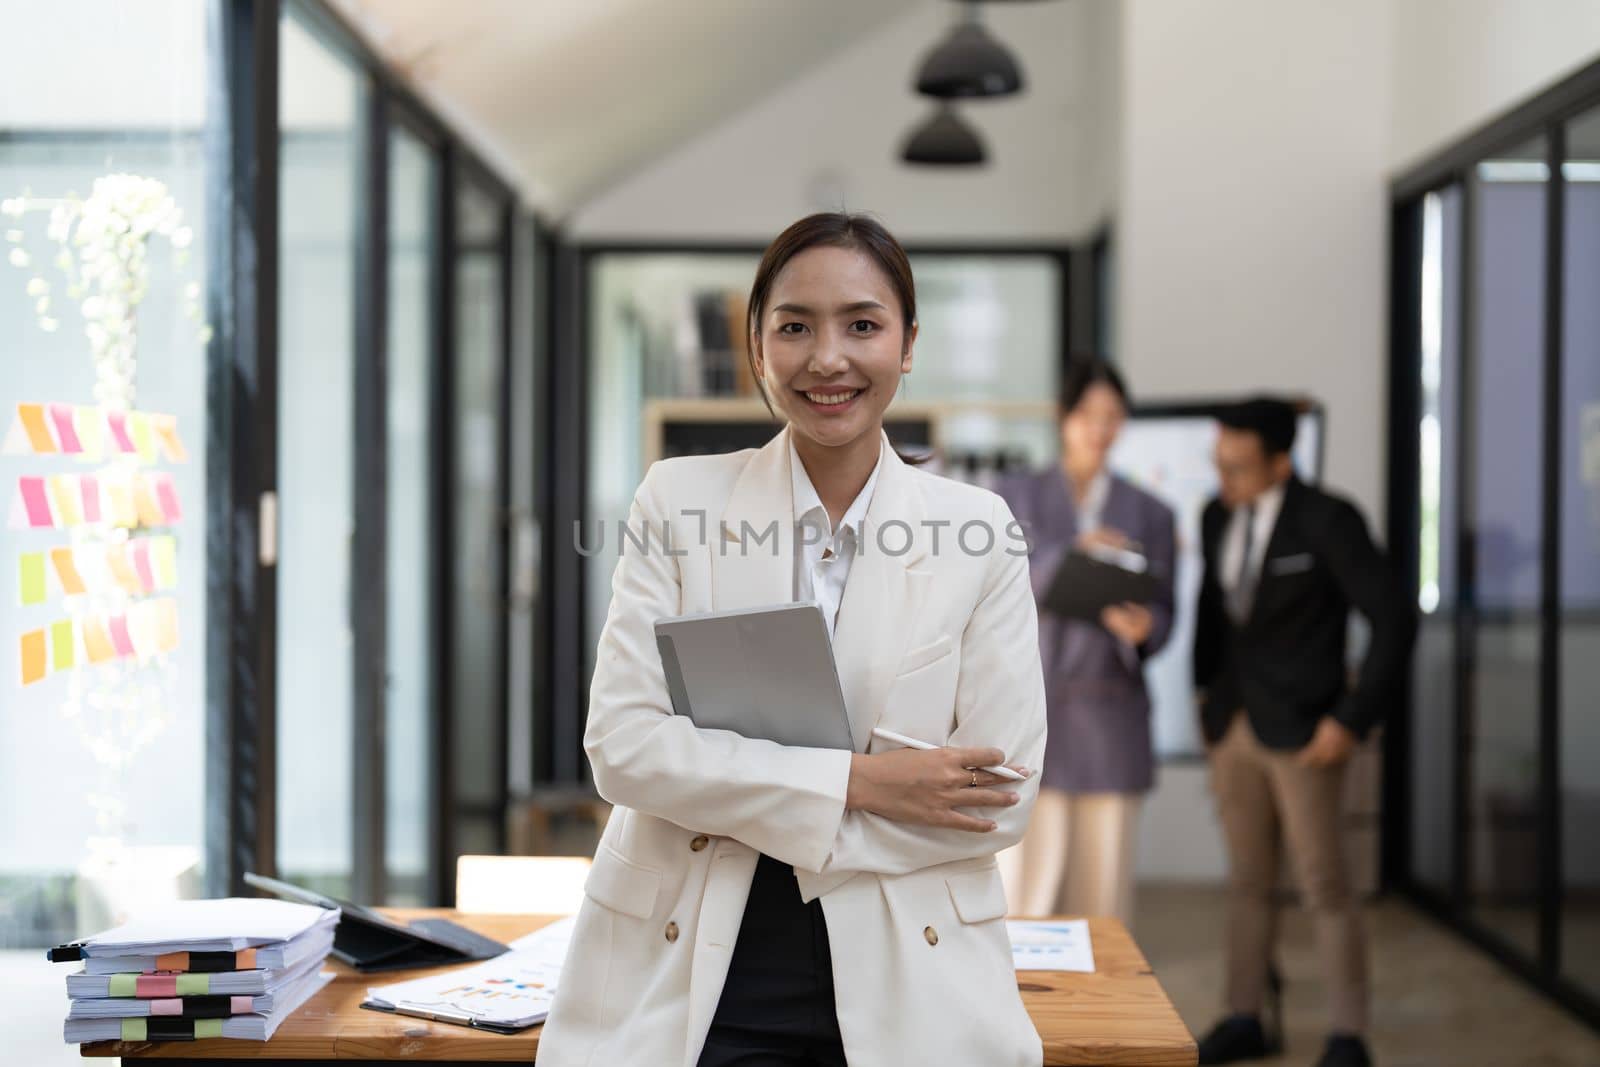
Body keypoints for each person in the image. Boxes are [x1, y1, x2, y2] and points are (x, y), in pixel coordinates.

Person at [536, 212, 1048, 1067]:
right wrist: (864, 780)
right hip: (692, 968)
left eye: (862, 324)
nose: (828, 358)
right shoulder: (679, 502)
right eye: (795, 326)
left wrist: (726, 786)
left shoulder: (979, 530)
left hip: (911, 975)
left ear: (908, 343)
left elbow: (998, 797)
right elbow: (624, 748)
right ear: (756, 342)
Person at [1191, 398, 1415, 1067]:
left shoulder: (1328, 519)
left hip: (1306, 732)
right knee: (1246, 881)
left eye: (1238, 467)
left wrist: (1350, 720)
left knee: (1325, 883)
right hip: (1232, 726)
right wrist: (1205, 701)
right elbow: (1214, 612)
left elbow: (1395, 619)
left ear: (1281, 462)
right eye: (1219, 463)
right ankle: (1245, 1015)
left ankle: (1349, 1034)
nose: (1224, 478)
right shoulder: (1214, 513)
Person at [995, 357, 1177, 925]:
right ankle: (1016, 1015)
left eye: (1113, 416)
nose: (1101, 428)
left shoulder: (1151, 512)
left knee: (1103, 902)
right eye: (1088, 415)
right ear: (1063, 418)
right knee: (1025, 896)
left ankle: (1103, 1015)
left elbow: (1166, 609)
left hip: (1109, 716)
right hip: (1032, 717)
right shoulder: (1014, 496)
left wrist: (1146, 629)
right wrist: (1078, 554)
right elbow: (1001, 579)